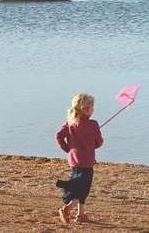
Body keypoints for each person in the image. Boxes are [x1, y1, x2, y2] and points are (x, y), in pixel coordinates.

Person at [55, 92, 103, 224]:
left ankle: (80, 215)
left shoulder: (70, 123)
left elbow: (58, 136)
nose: (93, 109)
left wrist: (68, 149)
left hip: (74, 162)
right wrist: (93, 143)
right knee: (83, 191)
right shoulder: (93, 124)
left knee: (79, 187)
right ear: (88, 109)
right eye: (92, 107)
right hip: (87, 163)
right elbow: (99, 142)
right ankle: (67, 208)